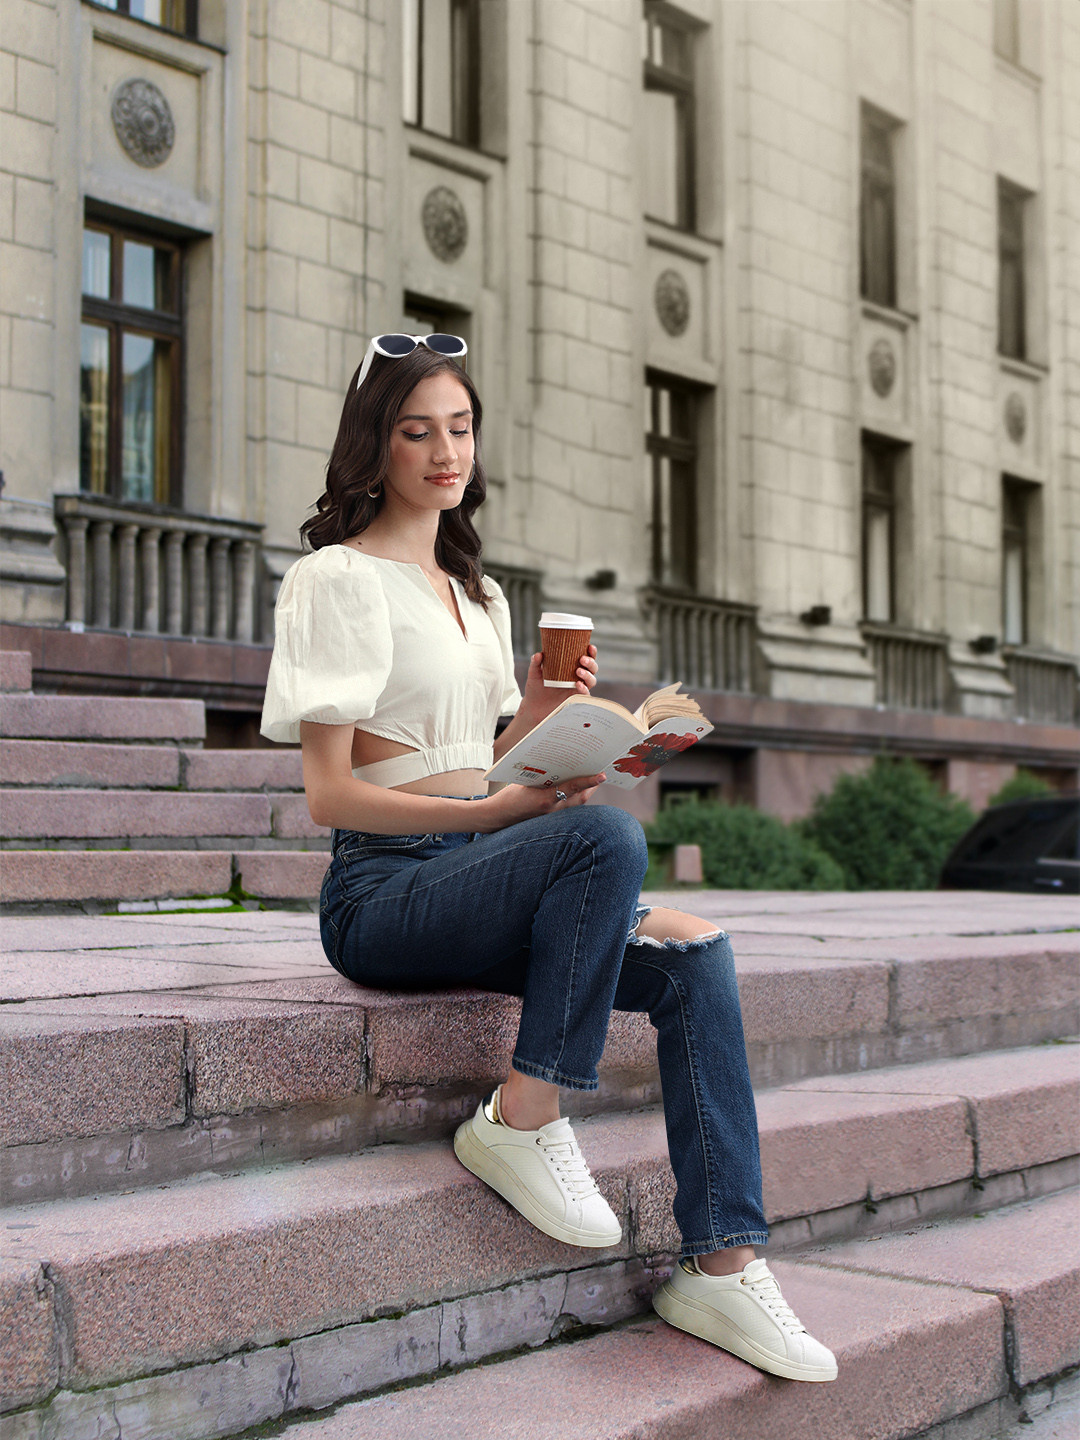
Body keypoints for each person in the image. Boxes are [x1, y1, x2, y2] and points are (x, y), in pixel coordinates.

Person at [260, 335, 837, 1384]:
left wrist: (549, 721)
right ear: (375, 445)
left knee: (697, 955)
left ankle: (724, 1264)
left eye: (461, 427)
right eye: (416, 429)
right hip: (383, 892)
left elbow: (479, 768)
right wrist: (510, 817)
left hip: (471, 868)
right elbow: (330, 792)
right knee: (604, 835)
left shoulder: (473, 595)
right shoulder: (333, 579)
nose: (445, 451)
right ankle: (523, 1118)